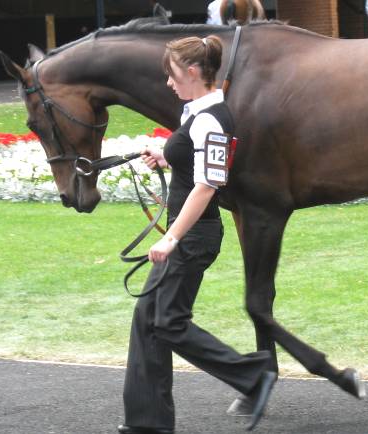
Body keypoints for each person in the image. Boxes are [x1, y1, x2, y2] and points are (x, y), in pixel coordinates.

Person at [117, 35, 277, 434]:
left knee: (168, 321)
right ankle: (147, 422)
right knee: (148, 318)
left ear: (192, 72)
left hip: (192, 238)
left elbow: (207, 187)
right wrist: (165, 156)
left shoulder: (209, 120)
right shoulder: (199, 113)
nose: (168, 82)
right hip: (190, 235)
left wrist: (170, 238)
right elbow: (197, 166)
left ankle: (253, 375)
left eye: (172, 74)